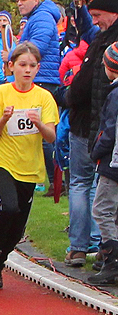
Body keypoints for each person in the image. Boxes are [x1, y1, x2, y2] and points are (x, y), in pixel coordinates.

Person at [0, 42, 59, 290]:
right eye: (22, 65)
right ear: (11, 66)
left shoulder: (44, 97)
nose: (27, 70)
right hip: (2, 161)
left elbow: (51, 137)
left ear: (37, 69)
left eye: (32, 66)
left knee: (17, 230)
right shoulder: (0, 93)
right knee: (10, 207)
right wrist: (4, 118)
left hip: (30, 167)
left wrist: (39, 123)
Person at [64, 0, 118, 267]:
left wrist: (68, 96)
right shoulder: (101, 38)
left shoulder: (106, 45)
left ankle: (82, 247)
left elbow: (84, 87)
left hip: (91, 128)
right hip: (97, 127)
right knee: (94, 187)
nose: (95, 20)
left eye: (98, 15)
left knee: (83, 184)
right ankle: (100, 246)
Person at [18, 0, 64, 196]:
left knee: (46, 134)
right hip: (41, 78)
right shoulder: (37, 17)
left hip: (43, 80)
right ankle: (50, 180)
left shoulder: (43, 17)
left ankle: (56, 182)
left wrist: (13, 55)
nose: (19, 3)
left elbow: (37, 48)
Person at [88, 42, 118, 285]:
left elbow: (109, 131)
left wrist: (96, 152)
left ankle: (112, 260)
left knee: (101, 209)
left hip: (113, 162)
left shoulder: (114, 94)